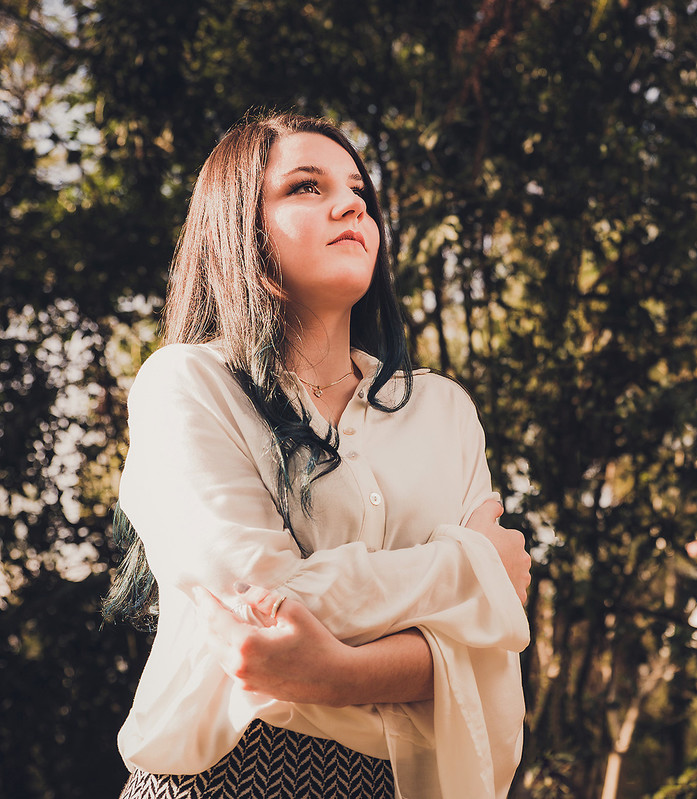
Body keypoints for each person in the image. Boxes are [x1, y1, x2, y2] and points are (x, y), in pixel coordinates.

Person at [103, 111, 532, 799]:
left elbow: (493, 647)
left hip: (395, 783)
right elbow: (268, 610)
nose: (352, 203)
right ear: (240, 227)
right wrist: (471, 568)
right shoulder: (188, 384)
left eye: (359, 189)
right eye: (306, 186)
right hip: (223, 779)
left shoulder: (444, 410)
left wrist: (328, 671)